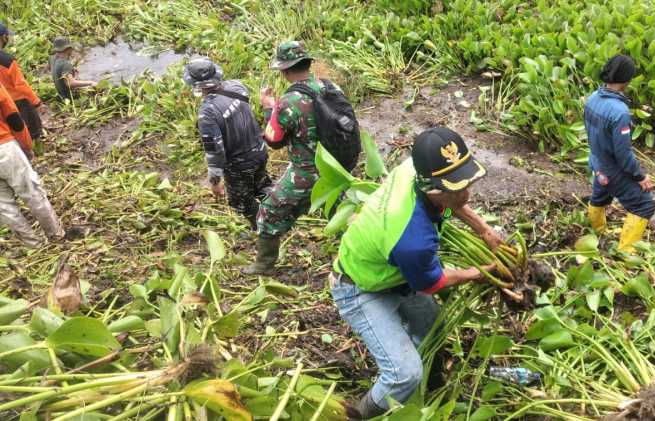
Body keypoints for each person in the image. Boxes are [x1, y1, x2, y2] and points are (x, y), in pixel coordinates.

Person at [332, 127, 501, 418]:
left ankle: (434, 385)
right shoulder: (412, 239)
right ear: (434, 190)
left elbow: (452, 197)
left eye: (466, 181)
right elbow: (432, 283)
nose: (467, 193)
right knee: (403, 374)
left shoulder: (417, 166)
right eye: (457, 187)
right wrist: (478, 273)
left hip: (394, 273)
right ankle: (360, 415)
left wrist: (483, 229)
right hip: (361, 288)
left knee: (433, 332)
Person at [242, 41, 324, 275]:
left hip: (307, 171)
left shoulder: (288, 102)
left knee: (267, 212)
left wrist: (270, 108)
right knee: (339, 211)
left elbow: (274, 141)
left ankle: (263, 265)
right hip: (335, 166)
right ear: (308, 64)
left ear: (285, 71)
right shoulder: (327, 88)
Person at [183, 58, 271, 230]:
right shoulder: (236, 86)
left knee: (242, 203)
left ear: (196, 85)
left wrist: (215, 182)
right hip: (260, 150)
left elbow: (215, 151)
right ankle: (280, 212)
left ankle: (264, 229)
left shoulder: (207, 113)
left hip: (239, 165)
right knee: (262, 186)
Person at [584, 54, 655, 253]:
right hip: (612, 167)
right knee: (645, 205)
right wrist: (639, 176)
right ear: (627, 80)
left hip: (597, 162)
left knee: (601, 193)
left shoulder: (592, 98)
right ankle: (626, 252)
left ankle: (597, 231)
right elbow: (623, 155)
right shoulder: (620, 112)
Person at [0, 84, 64, 247]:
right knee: (31, 192)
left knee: (4, 206)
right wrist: (26, 145)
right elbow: (13, 116)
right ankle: (56, 236)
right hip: (5, 147)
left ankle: (34, 246)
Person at [0, 22, 44, 150]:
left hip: (3, 102)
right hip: (17, 101)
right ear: (3, 38)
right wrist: (37, 102)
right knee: (32, 127)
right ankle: (33, 149)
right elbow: (21, 85)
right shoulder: (7, 60)